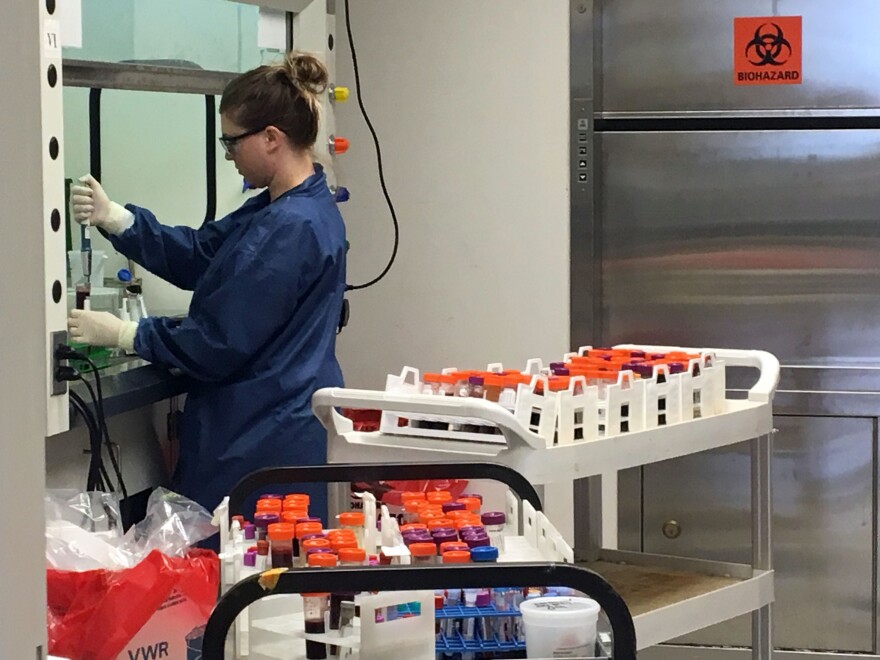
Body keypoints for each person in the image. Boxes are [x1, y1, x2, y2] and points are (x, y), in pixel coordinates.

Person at [67, 51, 346, 519]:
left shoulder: (291, 227)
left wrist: (125, 334)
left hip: (261, 435)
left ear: (272, 139)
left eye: (232, 143)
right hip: (268, 421)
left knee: (244, 570)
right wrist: (118, 219)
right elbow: (201, 256)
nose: (229, 155)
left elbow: (215, 343)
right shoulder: (285, 206)